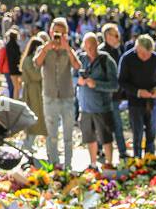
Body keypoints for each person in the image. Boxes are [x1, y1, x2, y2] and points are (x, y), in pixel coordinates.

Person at [35, 17, 80, 168]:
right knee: (51, 133)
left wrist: (67, 48)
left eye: (61, 33)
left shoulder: (69, 49)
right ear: (50, 32)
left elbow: (77, 66)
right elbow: (36, 63)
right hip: (50, 95)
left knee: (68, 134)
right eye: (56, 32)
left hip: (67, 96)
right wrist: (46, 49)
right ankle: (53, 163)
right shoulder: (44, 48)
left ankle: (68, 165)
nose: (58, 36)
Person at [75, 31, 119, 167]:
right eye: (87, 47)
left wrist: (97, 84)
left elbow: (115, 85)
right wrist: (79, 81)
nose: (90, 50)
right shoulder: (80, 59)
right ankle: (93, 164)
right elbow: (71, 78)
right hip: (85, 107)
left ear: (97, 45)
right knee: (89, 138)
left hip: (102, 107)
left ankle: (109, 163)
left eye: (92, 47)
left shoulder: (106, 60)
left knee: (106, 137)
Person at [118, 33, 156, 158]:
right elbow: (121, 81)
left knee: (151, 133)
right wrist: (137, 92)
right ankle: (137, 160)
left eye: (148, 55)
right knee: (137, 134)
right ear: (136, 48)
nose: (145, 57)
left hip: (152, 100)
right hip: (135, 100)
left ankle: (150, 160)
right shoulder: (127, 58)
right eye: (142, 54)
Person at [101, 23, 129, 158]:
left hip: (115, 95)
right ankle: (104, 151)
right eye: (116, 35)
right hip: (103, 96)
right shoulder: (101, 52)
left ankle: (122, 152)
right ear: (107, 36)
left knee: (117, 125)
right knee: (104, 125)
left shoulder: (116, 51)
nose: (118, 38)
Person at [18, 33, 47, 142]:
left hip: (36, 90)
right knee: (33, 117)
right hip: (32, 91)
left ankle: (30, 142)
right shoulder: (28, 60)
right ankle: (28, 143)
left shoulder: (29, 59)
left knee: (38, 117)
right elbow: (35, 76)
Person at [3, 28, 23, 99]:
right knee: (17, 86)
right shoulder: (16, 46)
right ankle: (16, 99)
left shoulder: (7, 45)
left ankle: (16, 99)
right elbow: (18, 57)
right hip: (16, 68)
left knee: (16, 86)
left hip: (11, 68)